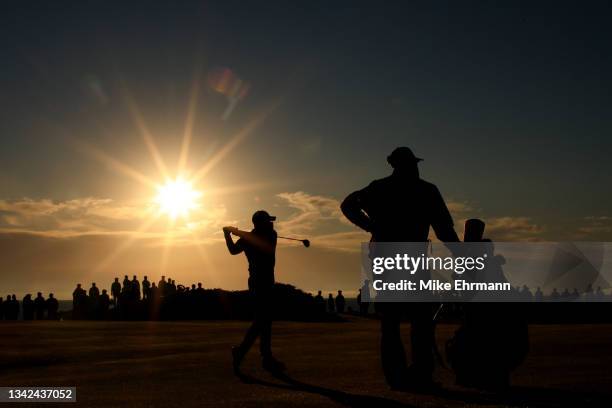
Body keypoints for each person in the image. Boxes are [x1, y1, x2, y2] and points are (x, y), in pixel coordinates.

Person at [341, 146, 459, 390]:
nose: (415, 168)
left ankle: (402, 375)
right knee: (416, 319)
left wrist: (370, 226)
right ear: (406, 165)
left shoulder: (380, 188)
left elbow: (348, 204)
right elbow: (444, 230)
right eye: (413, 164)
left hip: (386, 257)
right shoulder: (425, 190)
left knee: (396, 320)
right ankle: (416, 374)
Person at [224, 210, 285, 374]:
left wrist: (233, 232)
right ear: (261, 223)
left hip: (264, 281)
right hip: (259, 282)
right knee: (262, 320)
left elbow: (258, 240)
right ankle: (244, 351)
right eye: (268, 221)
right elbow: (233, 250)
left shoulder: (270, 235)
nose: (272, 223)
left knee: (265, 320)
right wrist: (228, 235)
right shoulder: (252, 237)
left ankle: (265, 356)